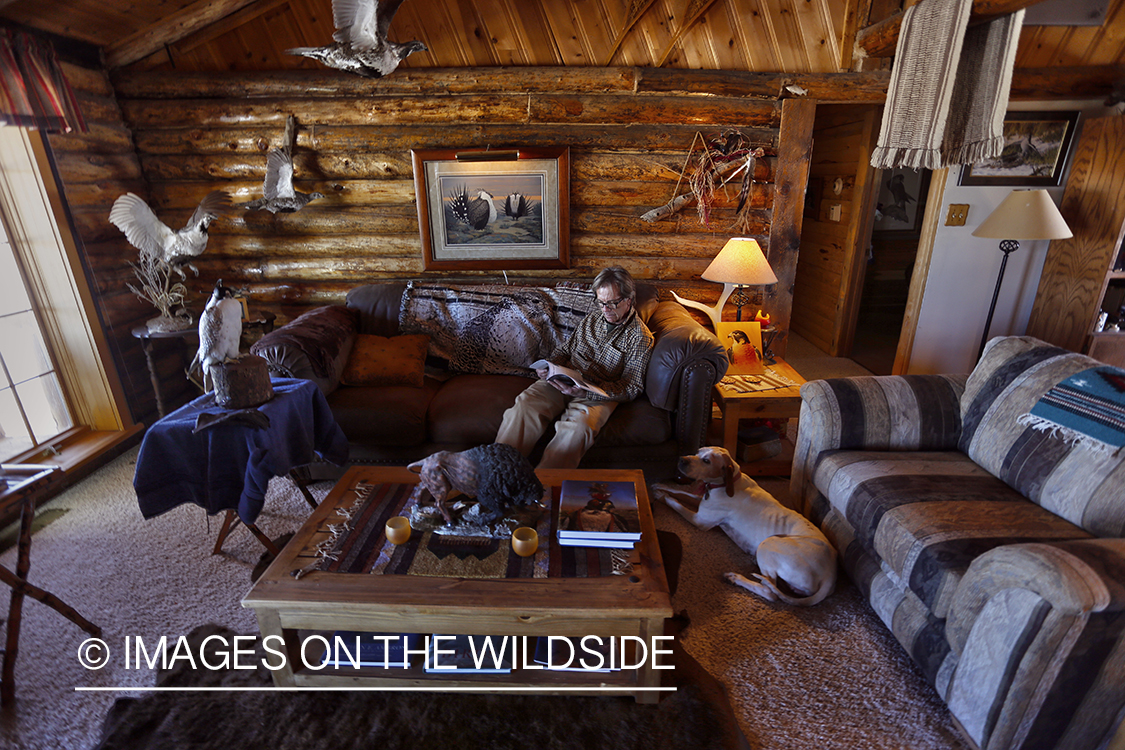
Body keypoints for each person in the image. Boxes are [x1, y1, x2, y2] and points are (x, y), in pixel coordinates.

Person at [495, 266, 653, 469]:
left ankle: (545, 489)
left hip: (598, 392)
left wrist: (589, 391)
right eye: (601, 302)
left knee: (578, 429)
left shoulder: (641, 337)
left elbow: (631, 387)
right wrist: (550, 366)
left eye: (613, 303)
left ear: (629, 300)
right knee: (524, 406)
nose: (605, 310)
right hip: (564, 378)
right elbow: (565, 350)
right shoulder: (592, 319)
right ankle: (498, 474)